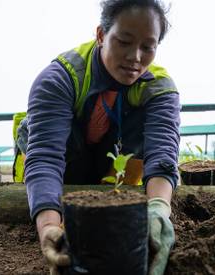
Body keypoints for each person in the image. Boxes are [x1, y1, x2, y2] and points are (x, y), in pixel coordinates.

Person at [19, 0, 180, 274]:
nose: (135, 57)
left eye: (147, 47)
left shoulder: (159, 88)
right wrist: (48, 226)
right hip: (63, 174)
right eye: (124, 42)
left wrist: (157, 211)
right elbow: (45, 157)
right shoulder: (60, 78)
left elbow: (162, 155)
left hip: (111, 180)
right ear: (101, 35)